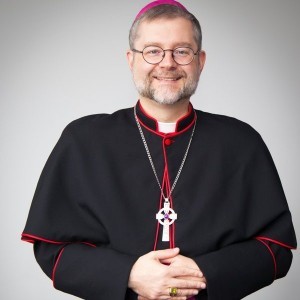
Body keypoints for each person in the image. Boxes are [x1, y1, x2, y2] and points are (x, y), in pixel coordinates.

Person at [22, 1, 297, 299]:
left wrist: (201, 274)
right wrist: (127, 274)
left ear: (200, 60)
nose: (167, 63)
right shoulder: (83, 140)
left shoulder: (242, 142)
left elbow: (276, 249)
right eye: (153, 50)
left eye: (182, 51)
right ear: (131, 60)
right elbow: (52, 249)